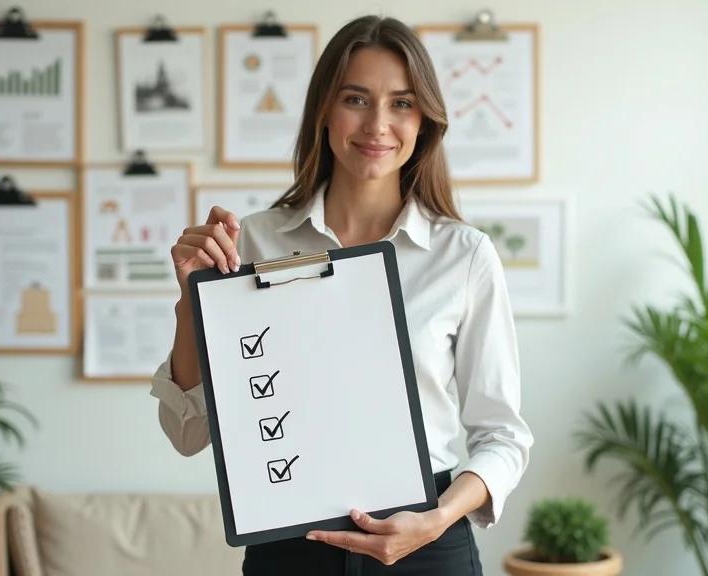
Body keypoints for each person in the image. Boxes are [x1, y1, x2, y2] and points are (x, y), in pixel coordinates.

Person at [150, 14, 533, 576]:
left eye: (402, 103)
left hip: (428, 541)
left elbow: (503, 437)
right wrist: (192, 301)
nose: (378, 124)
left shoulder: (464, 255)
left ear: (424, 119)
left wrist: (438, 517)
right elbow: (188, 434)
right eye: (357, 98)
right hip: (289, 544)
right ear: (324, 112)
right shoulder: (252, 240)